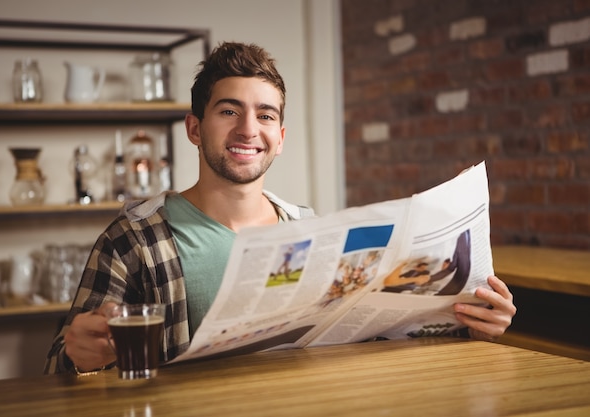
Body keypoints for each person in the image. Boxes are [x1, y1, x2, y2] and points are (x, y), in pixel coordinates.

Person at [44, 42, 516, 375]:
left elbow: (377, 341)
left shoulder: (308, 227)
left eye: (266, 115)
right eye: (229, 111)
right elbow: (56, 369)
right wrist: (78, 357)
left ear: (281, 139)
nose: (249, 129)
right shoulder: (134, 238)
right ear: (194, 129)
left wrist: (472, 325)